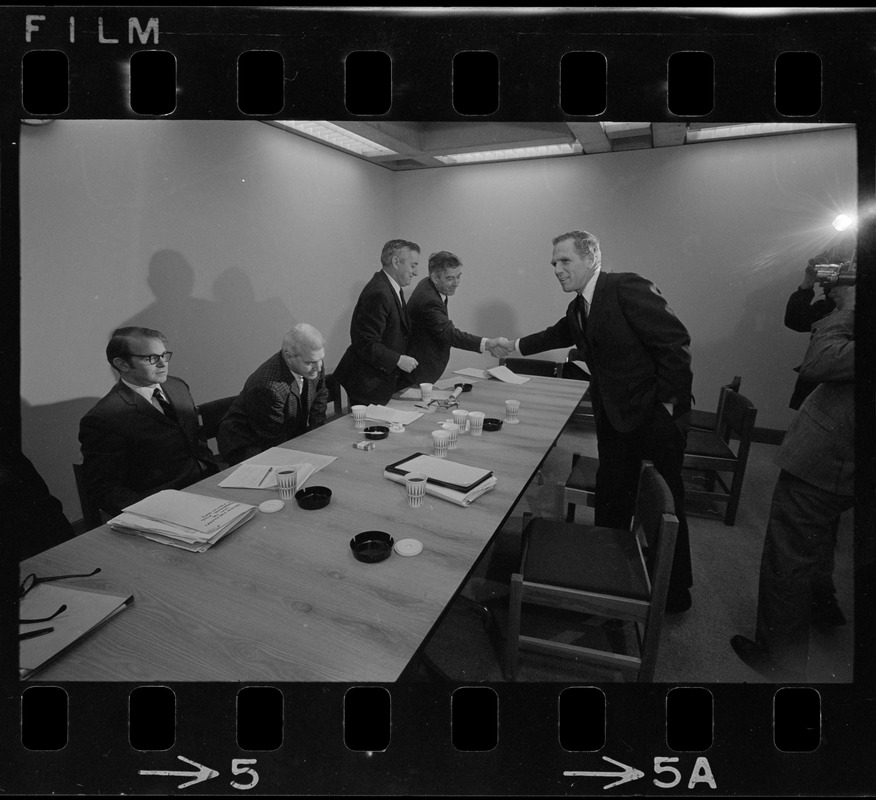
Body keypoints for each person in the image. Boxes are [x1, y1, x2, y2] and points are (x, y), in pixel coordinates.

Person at [506, 230, 695, 612]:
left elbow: (675, 343)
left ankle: (674, 592)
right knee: (611, 494)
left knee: (664, 507)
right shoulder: (579, 306)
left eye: (565, 262)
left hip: (652, 418)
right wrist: (512, 346)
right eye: (553, 264)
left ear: (591, 258)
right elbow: (558, 333)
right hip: (614, 418)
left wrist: (669, 408)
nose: (557, 270)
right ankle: (607, 578)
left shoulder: (626, 287)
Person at [731, 288, 855, 681]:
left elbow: (820, 360)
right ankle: (822, 601)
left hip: (829, 458)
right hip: (841, 459)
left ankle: (780, 657)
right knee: (818, 537)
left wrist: (849, 308)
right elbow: (801, 319)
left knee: (789, 552)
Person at [79, 327, 220, 517]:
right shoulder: (104, 418)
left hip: (208, 486)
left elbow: (196, 439)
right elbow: (105, 489)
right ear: (122, 364)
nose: (163, 364)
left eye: (164, 355)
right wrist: (152, 514)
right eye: (151, 358)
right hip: (163, 507)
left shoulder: (177, 386)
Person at [217, 323, 329, 465]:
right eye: (311, 362)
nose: (318, 367)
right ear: (288, 357)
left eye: (321, 359)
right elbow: (273, 440)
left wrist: (316, 435)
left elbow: (320, 393)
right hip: (248, 443)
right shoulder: (268, 387)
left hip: (282, 434)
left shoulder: (314, 362)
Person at [334, 239, 420, 406]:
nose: (416, 272)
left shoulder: (391, 288)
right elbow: (365, 342)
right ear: (396, 262)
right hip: (367, 384)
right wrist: (398, 360)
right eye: (413, 265)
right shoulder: (379, 292)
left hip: (379, 381)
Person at [407, 250, 509, 384]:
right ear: (435, 277)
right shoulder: (428, 300)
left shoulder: (429, 285)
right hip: (417, 376)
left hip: (424, 372)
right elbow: (450, 334)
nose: (456, 283)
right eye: (450, 278)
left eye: (458, 276)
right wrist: (488, 344)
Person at [784, 256, 836, 410]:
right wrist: (807, 284)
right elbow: (795, 320)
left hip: (835, 396)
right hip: (813, 392)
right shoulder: (828, 307)